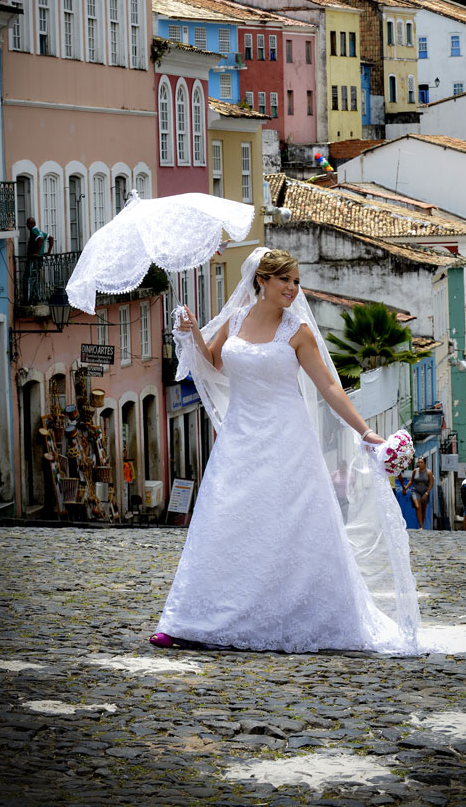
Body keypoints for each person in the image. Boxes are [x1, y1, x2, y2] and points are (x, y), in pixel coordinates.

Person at [149, 248, 422, 654]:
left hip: (286, 442)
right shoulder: (236, 319)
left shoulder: (298, 331)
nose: (294, 289)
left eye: (297, 282)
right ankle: (189, 620)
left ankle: (289, 616)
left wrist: (366, 433)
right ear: (262, 280)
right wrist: (191, 333)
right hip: (239, 439)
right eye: (285, 281)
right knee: (223, 521)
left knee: (285, 527)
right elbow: (214, 363)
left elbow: (329, 387)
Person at [25, 216, 54, 302]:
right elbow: (51, 238)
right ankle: (35, 295)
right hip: (40, 257)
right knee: (36, 276)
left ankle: (33, 297)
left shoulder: (34, 231)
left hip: (35, 258)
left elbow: (40, 239)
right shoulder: (40, 231)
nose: (27, 226)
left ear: (32, 224)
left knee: (32, 276)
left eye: (28, 224)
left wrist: (37, 252)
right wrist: (48, 251)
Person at [401, 455, 434, 530]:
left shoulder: (429, 472)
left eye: (421, 462)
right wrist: (405, 488)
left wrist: (426, 493)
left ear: (425, 463)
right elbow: (411, 480)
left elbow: (431, 484)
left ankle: (421, 524)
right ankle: (421, 526)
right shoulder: (415, 471)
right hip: (416, 490)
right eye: (419, 462)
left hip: (425, 491)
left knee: (423, 509)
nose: (420, 464)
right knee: (417, 506)